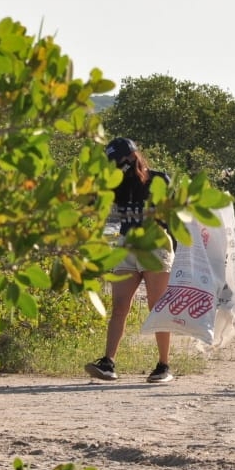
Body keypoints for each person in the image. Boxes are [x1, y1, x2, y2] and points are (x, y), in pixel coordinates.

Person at [85, 137, 176, 383]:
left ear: (131, 157)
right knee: (120, 306)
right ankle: (108, 363)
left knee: (157, 307)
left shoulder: (159, 179)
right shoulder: (117, 184)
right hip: (126, 245)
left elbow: (172, 216)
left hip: (155, 245)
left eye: (117, 162)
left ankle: (164, 365)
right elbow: (95, 206)